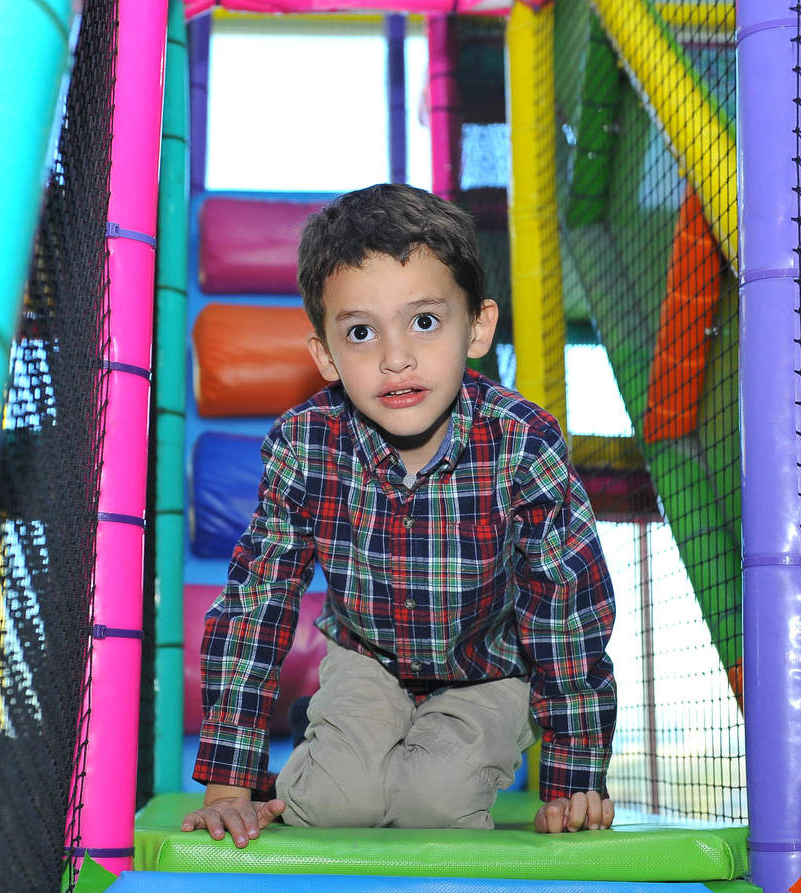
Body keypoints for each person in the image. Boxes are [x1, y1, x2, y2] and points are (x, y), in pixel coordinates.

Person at [182, 183, 616, 847]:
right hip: (368, 660)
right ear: (326, 356)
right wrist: (228, 783)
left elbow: (566, 610)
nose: (395, 358)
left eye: (424, 322)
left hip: (489, 669)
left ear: (477, 327)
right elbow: (257, 602)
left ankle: (375, 751)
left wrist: (573, 779)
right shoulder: (306, 443)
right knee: (333, 806)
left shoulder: (523, 443)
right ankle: (328, 748)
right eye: (361, 332)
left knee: (432, 806)